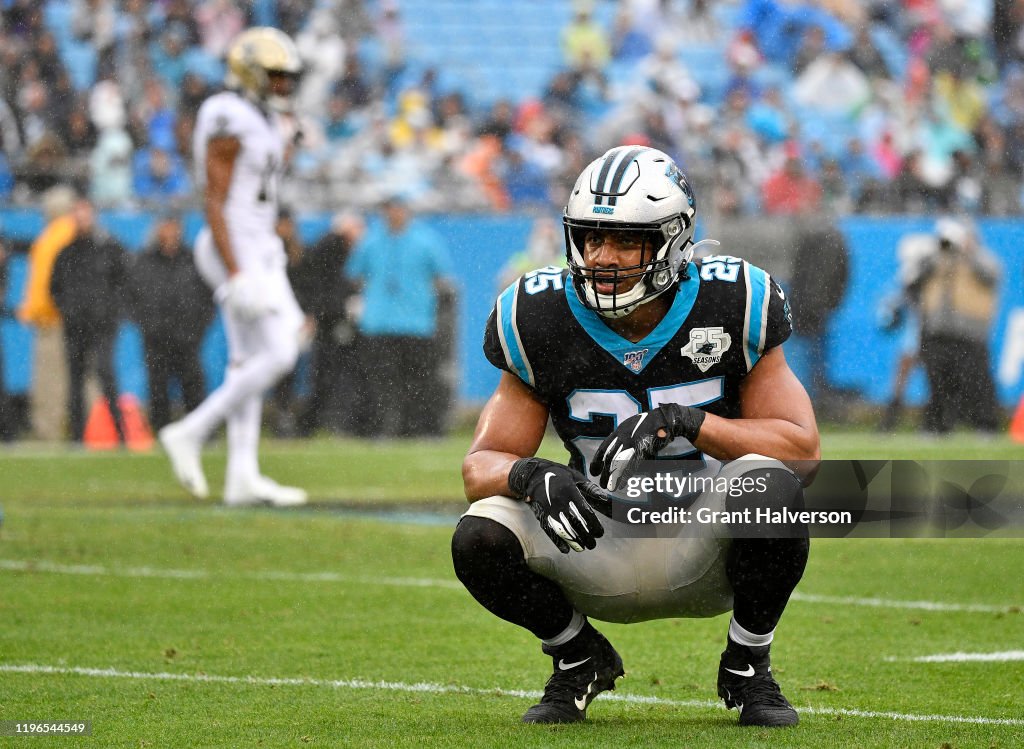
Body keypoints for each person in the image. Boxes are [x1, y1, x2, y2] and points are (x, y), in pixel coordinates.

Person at [452, 146, 818, 728]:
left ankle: (749, 664)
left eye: (625, 240)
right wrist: (529, 473)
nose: (602, 257)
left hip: (710, 534)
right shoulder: (537, 314)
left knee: (774, 491)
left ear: (673, 241)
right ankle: (576, 657)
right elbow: (479, 468)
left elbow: (801, 449)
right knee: (479, 536)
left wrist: (690, 420)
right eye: (591, 238)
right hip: (599, 534)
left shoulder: (733, 302)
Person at [157, 27, 308, 507]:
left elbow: (256, 180)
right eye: (275, 75)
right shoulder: (228, 114)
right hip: (236, 247)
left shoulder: (260, 117)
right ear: (250, 72)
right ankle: (191, 431)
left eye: (287, 77)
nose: (283, 84)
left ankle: (241, 475)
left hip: (258, 245)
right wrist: (237, 270)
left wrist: (290, 146)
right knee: (281, 352)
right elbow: (216, 199)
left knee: (248, 361)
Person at [345, 195, 454, 438]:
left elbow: (442, 279)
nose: (393, 214)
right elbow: (354, 275)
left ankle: (415, 429)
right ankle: (383, 428)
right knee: (380, 382)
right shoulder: (370, 240)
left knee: (416, 382)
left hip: (416, 323)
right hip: (378, 323)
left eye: (397, 208)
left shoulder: (426, 241)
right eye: (388, 209)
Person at [907, 217, 1002, 433]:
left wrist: (968, 253)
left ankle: (985, 425)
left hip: (971, 331)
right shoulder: (935, 259)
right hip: (938, 330)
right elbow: (912, 282)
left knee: (976, 381)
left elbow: (991, 277)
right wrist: (937, 253)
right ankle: (937, 425)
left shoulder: (984, 259)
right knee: (937, 381)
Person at [49, 197, 129, 443]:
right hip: (75, 326)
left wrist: (110, 311)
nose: (82, 219)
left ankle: (121, 433)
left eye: (86, 213)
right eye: (77, 214)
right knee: (75, 379)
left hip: (103, 325)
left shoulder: (110, 248)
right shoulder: (65, 252)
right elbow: (54, 288)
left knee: (106, 373)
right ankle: (77, 437)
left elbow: (123, 282)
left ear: (93, 215)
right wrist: (69, 310)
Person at [127, 212, 214, 431]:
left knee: (193, 387)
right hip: (156, 339)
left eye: (173, 226)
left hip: (187, 338)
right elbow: (130, 296)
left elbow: (209, 297)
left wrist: (198, 328)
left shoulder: (193, 259)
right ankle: (161, 431)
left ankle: (200, 431)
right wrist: (146, 325)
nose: (170, 232)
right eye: (165, 226)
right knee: (158, 388)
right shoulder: (144, 260)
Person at [17, 185, 78, 441]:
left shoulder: (55, 236)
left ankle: (51, 430)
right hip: (62, 317)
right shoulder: (64, 234)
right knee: (76, 377)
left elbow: (48, 284)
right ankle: (79, 428)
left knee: (51, 381)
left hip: (52, 320)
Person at [298, 209, 365, 435]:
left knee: (341, 374)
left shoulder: (354, 253)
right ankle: (314, 422)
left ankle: (339, 422)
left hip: (343, 321)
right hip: (329, 321)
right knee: (325, 374)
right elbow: (321, 282)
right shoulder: (330, 249)